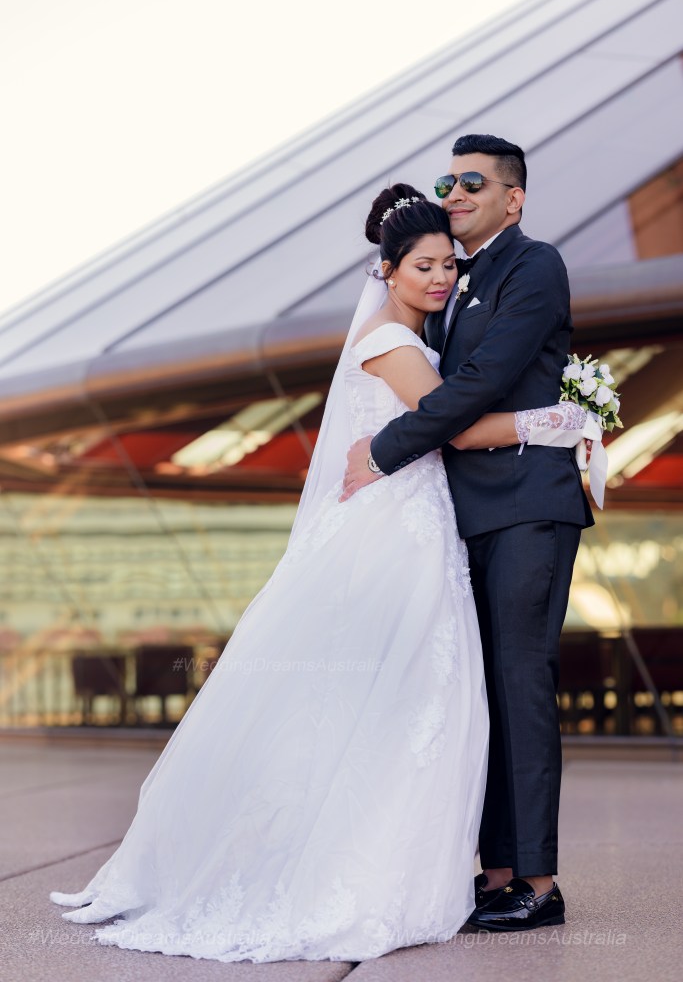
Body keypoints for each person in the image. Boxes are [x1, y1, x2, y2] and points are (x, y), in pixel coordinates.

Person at [49, 184, 587, 962]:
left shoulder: (414, 337)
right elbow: (457, 428)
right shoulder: (390, 342)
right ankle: (349, 872)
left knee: (411, 706)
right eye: (424, 266)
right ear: (387, 270)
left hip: (422, 529)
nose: (441, 278)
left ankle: (407, 865)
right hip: (394, 539)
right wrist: (556, 420)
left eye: (448, 265)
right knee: (391, 703)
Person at [342, 137, 595, 933]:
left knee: (521, 683)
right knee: (479, 694)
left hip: (525, 505)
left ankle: (538, 883)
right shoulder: (452, 282)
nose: (453, 191)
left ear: (512, 199)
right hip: (462, 517)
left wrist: (383, 451)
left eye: (472, 182)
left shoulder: (533, 265)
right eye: (447, 179)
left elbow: (481, 382)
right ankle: (496, 872)